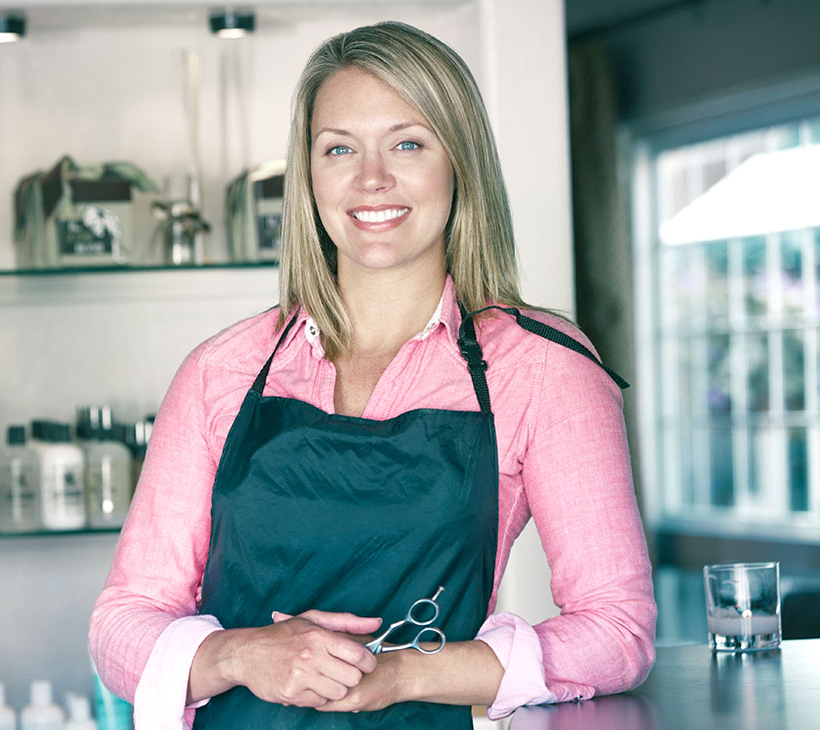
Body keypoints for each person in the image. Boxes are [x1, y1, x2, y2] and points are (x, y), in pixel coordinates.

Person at [89, 20, 655, 729]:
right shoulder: (221, 372)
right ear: (310, 176)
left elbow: (617, 631)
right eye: (339, 150)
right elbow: (120, 626)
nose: (371, 179)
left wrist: (400, 675)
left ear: (461, 163)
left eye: (408, 144)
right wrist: (238, 655)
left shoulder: (543, 367)